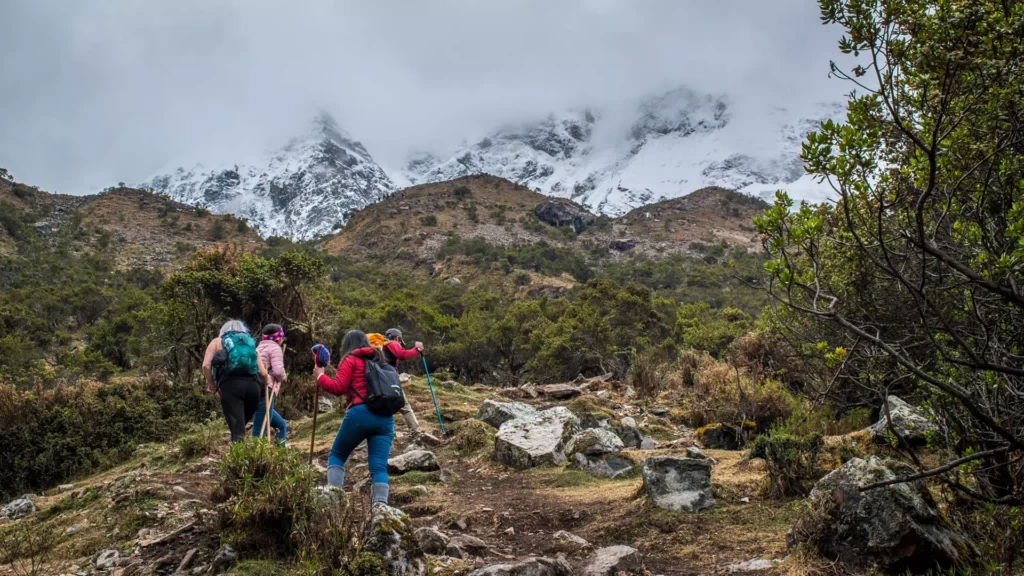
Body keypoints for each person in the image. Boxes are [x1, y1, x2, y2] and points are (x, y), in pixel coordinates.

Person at [314, 330, 394, 505]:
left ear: (347, 345)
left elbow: (338, 388)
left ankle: (334, 503)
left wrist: (320, 376)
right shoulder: (380, 360)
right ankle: (381, 511)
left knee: (336, 455)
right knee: (379, 467)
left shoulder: (350, 359)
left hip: (360, 413)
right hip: (385, 418)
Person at [202, 320, 272, 443]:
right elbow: (263, 373)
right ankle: (242, 456)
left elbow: (206, 366)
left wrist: (213, 386)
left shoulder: (218, 341)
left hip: (231, 387)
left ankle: (238, 460)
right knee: (240, 426)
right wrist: (267, 381)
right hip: (253, 388)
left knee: (237, 429)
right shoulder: (249, 344)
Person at [381, 328, 425, 435]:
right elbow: (403, 355)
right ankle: (416, 431)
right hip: (390, 380)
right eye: (400, 341)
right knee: (405, 406)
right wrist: (417, 349)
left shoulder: (381, 346)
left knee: (380, 407)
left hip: (379, 380)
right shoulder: (393, 343)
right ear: (397, 338)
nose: (400, 343)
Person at [253, 323, 288, 443]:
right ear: (278, 338)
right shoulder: (275, 348)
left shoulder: (258, 348)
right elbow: (278, 371)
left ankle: (279, 455)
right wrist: (284, 377)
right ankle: (257, 458)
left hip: (253, 388)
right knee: (259, 432)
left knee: (281, 426)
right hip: (266, 389)